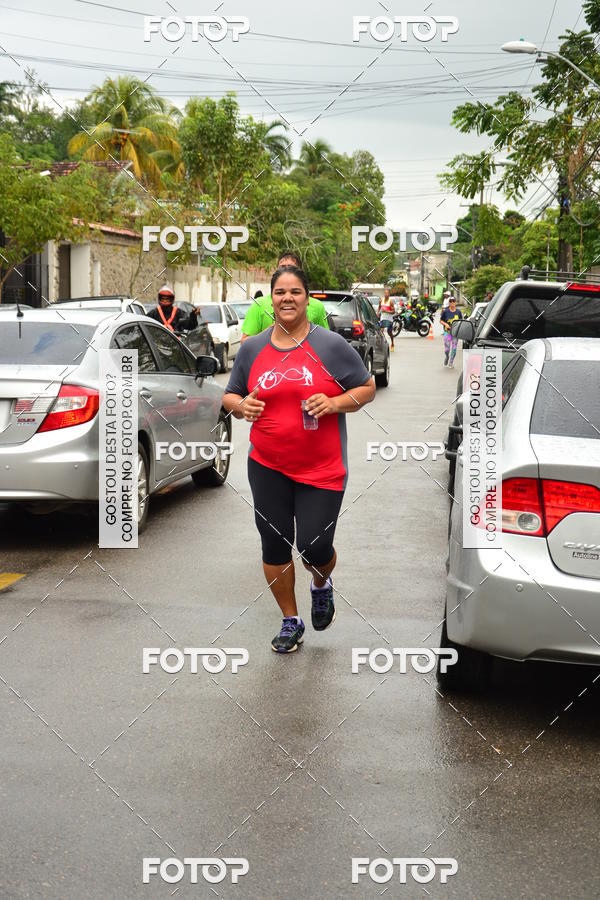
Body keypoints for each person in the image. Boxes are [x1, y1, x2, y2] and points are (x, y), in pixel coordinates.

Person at [223, 265, 375, 654]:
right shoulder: (254, 348)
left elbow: (367, 388)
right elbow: (230, 394)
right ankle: (290, 620)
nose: (287, 298)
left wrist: (335, 401)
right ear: (270, 300)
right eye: (279, 292)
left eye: (295, 292)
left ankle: (321, 584)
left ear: (308, 299)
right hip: (267, 466)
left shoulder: (330, 347)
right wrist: (242, 407)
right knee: (274, 545)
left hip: (322, 470)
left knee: (314, 548)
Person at [240, 251, 329, 341]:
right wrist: (271, 332)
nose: (286, 271)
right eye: (282, 268)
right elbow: (245, 342)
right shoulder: (259, 304)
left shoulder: (317, 306)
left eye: (291, 267)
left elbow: (325, 341)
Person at [440, 296, 462, 367]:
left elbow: (461, 321)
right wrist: (446, 324)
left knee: (454, 348)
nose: (452, 303)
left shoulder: (458, 312)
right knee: (447, 348)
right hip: (448, 333)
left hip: (455, 334)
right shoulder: (446, 311)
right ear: (449, 303)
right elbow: (441, 320)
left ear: (455, 302)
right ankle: (447, 357)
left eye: (453, 301)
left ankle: (451, 362)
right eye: (451, 301)